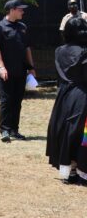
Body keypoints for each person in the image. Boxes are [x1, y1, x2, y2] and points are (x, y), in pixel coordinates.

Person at [0, 0, 37, 143]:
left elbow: (27, 48)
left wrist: (31, 67)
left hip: (21, 71)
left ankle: (14, 130)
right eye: (20, 9)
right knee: (6, 100)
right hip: (6, 72)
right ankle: (4, 130)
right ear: (12, 10)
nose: (23, 12)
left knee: (17, 101)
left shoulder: (22, 27)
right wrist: (2, 67)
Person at [45, 17, 87, 184]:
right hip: (82, 94)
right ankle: (81, 170)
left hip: (64, 95)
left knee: (66, 132)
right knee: (81, 134)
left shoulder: (59, 51)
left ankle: (70, 170)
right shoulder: (84, 53)